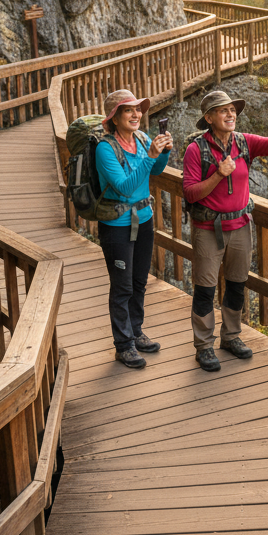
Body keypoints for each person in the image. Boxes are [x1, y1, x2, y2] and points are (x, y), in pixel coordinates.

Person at [183, 89, 268, 371]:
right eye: (223, 110)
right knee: (205, 290)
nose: (231, 114)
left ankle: (231, 336)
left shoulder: (244, 142)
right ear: (209, 118)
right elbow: (191, 193)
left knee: (236, 284)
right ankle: (204, 346)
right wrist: (219, 174)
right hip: (208, 228)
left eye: (232, 110)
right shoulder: (197, 150)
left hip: (241, 225)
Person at [96, 89, 174, 369]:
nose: (136, 114)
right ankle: (124, 345)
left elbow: (154, 171)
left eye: (137, 109)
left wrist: (162, 153)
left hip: (144, 219)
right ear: (114, 118)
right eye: (128, 110)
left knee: (139, 281)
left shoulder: (141, 139)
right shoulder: (105, 148)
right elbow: (125, 187)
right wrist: (150, 156)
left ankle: (136, 331)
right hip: (117, 225)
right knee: (122, 286)